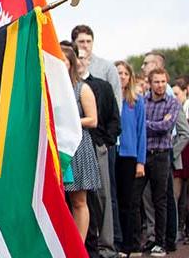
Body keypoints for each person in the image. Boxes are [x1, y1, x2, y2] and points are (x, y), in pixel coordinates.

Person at [75, 48, 120, 258]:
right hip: (74, 151)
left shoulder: (101, 86)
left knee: (101, 198)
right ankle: (87, 247)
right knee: (79, 201)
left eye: (83, 56)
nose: (80, 61)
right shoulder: (61, 86)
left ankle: (106, 246)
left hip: (96, 147)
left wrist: (104, 143)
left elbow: (113, 117)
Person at [134, 68, 181, 256]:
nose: (160, 85)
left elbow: (166, 127)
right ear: (150, 83)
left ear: (166, 82)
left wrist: (146, 123)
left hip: (162, 155)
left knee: (160, 199)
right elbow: (139, 125)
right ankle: (144, 240)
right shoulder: (141, 101)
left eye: (163, 82)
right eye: (156, 82)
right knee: (136, 198)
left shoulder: (173, 102)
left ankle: (160, 242)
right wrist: (154, 123)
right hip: (143, 155)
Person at [61, 44, 100, 242]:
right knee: (58, 200)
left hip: (77, 148)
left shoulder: (82, 88)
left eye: (63, 60)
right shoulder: (50, 88)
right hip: (56, 147)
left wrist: (69, 121)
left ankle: (78, 245)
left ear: (71, 64)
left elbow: (93, 120)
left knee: (79, 200)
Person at [114, 61, 147, 256]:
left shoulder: (136, 101)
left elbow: (141, 131)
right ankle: (118, 242)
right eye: (119, 73)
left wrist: (140, 161)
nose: (122, 77)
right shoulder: (111, 98)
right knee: (116, 200)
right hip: (114, 153)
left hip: (129, 155)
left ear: (130, 76)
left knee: (130, 202)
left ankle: (131, 243)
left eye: (125, 73)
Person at [173, 77, 189, 242]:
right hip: (181, 159)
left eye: (177, 93)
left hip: (181, 156)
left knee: (180, 195)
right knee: (178, 195)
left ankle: (180, 229)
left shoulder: (181, 109)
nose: (175, 96)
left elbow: (184, 134)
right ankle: (179, 228)